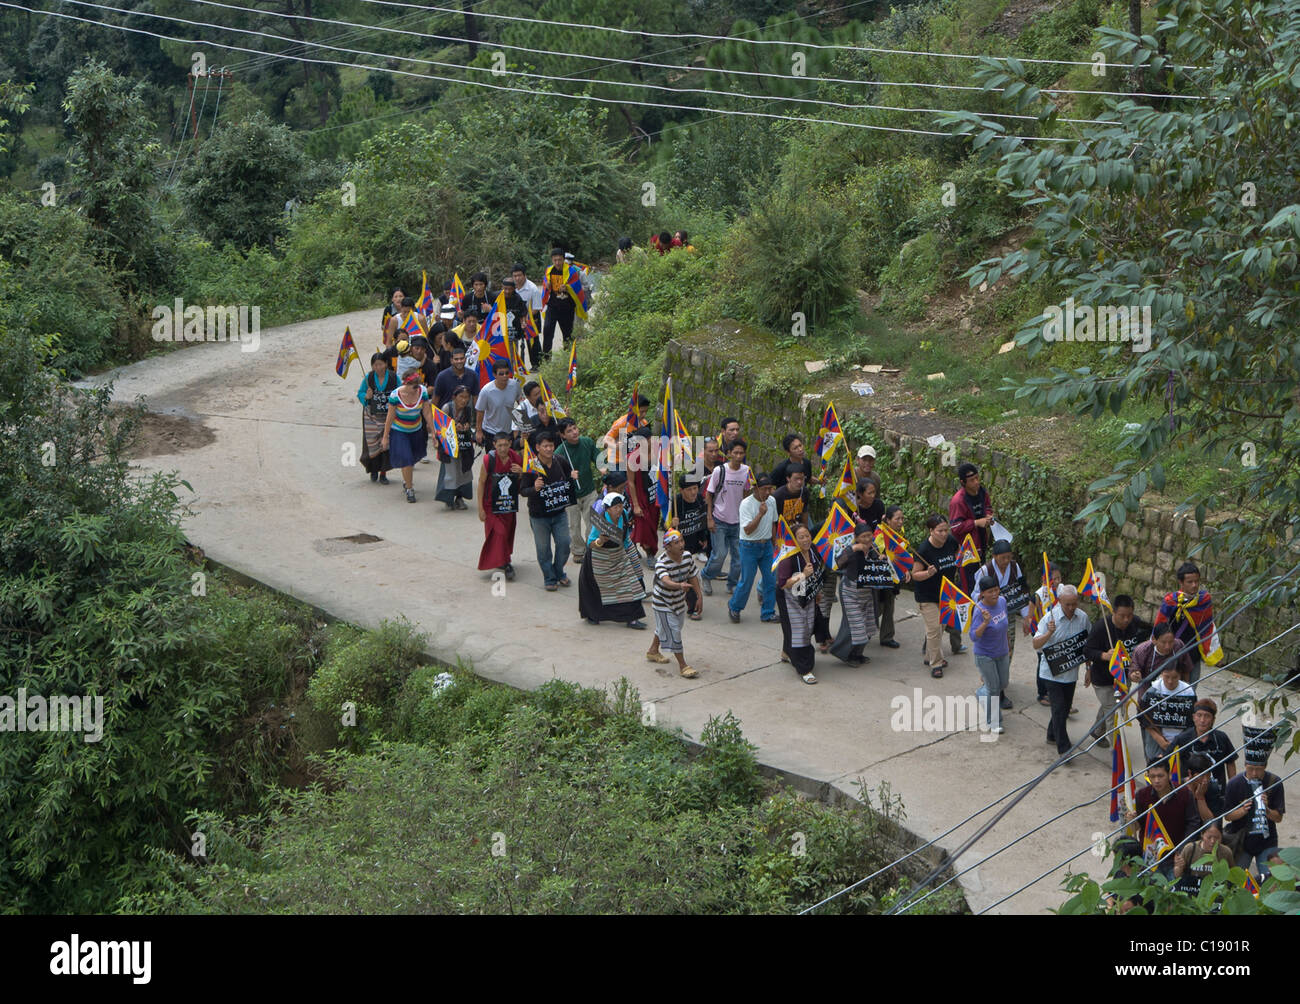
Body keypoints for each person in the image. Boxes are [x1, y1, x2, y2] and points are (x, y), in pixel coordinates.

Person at [1082, 594, 1152, 747]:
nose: (1126, 620)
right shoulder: (1101, 627)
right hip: (1103, 679)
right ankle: (1118, 756)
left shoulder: (1136, 623)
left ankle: (1097, 731)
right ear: (1113, 612)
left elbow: (1150, 633)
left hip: (1123, 677)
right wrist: (1103, 655)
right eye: (1122, 616)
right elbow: (1087, 651)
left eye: (1129, 615)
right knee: (1113, 713)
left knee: (1111, 705)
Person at [1031, 584, 1090, 758]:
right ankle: (1064, 749)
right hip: (1050, 673)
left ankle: (1051, 734)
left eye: (1074, 604)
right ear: (1059, 602)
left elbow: (1087, 644)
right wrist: (1048, 634)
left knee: (1063, 709)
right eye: (1067, 605)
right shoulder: (1050, 618)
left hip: (1070, 674)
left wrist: (1088, 668)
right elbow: (1035, 644)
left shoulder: (1083, 618)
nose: (1071, 608)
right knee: (1058, 709)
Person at [518, 430, 577, 591]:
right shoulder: (531, 467)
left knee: (565, 544)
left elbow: (568, 479)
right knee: (543, 549)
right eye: (545, 446)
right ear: (537, 447)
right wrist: (534, 488)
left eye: (551, 446)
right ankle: (549, 577)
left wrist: (573, 476)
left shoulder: (560, 461)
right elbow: (523, 490)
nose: (549, 449)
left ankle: (558, 571)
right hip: (539, 516)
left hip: (559, 513)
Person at [579, 492, 648, 628]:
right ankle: (594, 615)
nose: (619, 509)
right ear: (608, 509)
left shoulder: (624, 515)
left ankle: (632, 619)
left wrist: (630, 555)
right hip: (599, 558)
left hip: (618, 555)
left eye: (621, 506)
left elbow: (626, 536)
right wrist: (601, 540)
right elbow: (590, 543)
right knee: (596, 588)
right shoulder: (601, 521)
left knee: (630, 584)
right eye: (615, 507)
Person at [978, 540, 1032, 709]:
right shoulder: (985, 570)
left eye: (1009, 557)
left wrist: (1026, 618)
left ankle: (999, 688)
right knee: (991, 651)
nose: (1006, 561)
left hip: (1007, 615)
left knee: (1008, 650)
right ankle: (991, 686)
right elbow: (975, 594)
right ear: (994, 557)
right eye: (1002, 558)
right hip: (988, 617)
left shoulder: (1015, 568)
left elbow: (1021, 593)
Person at [1126, 757, 1204, 874]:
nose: (1156, 780)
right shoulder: (1142, 796)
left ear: (1169, 775)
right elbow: (1138, 828)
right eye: (1152, 776)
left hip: (1177, 858)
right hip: (1151, 859)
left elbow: (1193, 824)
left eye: (1160, 776)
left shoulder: (1184, 794)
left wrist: (1183, 851)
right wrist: (1131, 821)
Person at [1223, 739, 1286, 879]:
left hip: (1266, 840)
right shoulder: (1234, 784)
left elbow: (1279, 817)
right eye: (1250, 768)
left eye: (1259, 770)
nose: (1254, 773)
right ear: (1245, 765)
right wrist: (1242, 810)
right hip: (1241, 840)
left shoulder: (1274, 783)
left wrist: (1267, 809)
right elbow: (1227, 816)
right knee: (1235, 881)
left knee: (1270, 879)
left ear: (1265, 767)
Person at [644, 529, 701, 679]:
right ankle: (683, 665)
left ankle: (653, 650)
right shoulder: (661, 562)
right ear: (668, 547)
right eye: (677, 543)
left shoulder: (688, 557)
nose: (681, 545)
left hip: (678, 601)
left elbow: (693, 575)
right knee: (674, 630)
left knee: (666, 626)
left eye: (682, 541)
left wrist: (699, 596)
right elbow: (666, 581)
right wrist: (679, 585)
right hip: (662, 602)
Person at [912, 514, 964, 677]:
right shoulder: (923, 550)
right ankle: (936, 664)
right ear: (931, 531)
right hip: (927, 595)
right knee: (934, 628)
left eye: (945, 530)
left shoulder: (950, 541)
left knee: (940, 627)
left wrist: (960, 559)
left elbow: (958, 553)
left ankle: (930, 656)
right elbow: (915, 574)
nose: (943, 534)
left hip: (946, 594)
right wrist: (927, 573)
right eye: (940, 531)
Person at [1136, 628, 1196, 765]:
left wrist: (1177, 741)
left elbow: (1192, 722)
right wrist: (1159, 739)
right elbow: (1143, 718)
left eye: (1174, 678)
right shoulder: (1152, 692)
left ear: (1180, 676)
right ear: (1161, 674)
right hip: (1157, 743)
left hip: (1181, 744)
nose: (1170, 681)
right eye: (1166, 677)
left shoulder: (1188, 692)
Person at [777, 524, 827, 685]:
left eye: (807, 535)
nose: (806, 540)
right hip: (790, 597)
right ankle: (805, 669)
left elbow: (817, 573)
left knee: (806, 626)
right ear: (794, 540)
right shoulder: (788, 556)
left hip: (808, 595)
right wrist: (803, 575)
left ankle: (786, 652)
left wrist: (817, 591)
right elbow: (784, 583)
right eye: (801, 537)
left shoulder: (813, 550)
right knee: (799, 631)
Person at [381, 356, 434, 503]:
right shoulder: (395, 395)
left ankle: (406, 479)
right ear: (406, 384)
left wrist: (434, 432)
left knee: (415, 456)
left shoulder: (422, 392)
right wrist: (385, 436)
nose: (416, 389)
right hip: (399, 431)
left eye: (418, 386)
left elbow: (427, 412)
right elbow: (390, 416)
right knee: (407, 459)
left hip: (416, 430)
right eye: (413, 387)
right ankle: (410, 489)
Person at [702, 438, 751, 596]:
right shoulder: (720, 471)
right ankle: (706, 575)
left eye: (741, 453)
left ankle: (732, 583)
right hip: (719, 519)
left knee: (739, 558)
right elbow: (709, 495)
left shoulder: (746, 471)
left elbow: (746, 494)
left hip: (738, 522)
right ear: (729, 454)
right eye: (735, 452)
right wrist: (709, 518)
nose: (738, 456)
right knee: (720, 554)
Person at [828, 521, 880, 666]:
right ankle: (847, 655)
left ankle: (858, 654)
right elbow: (838, 563)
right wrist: (853, 549)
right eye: (864, 536)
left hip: (867, 593)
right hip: (850, 592)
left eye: (870, 535)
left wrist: (881, 560)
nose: (868, 539)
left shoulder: (874, 549)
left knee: (868, 626)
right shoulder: (850, 550)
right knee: (856, 627)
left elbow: (880, 568)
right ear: (856, 538)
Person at [728, 474, 777, 624]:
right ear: (755, 489)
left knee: (771, 580)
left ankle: (768, 613)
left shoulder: (772, 501)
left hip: (767, 546)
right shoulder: (746, 504)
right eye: (764, 489)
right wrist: (760, 514)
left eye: (770, 489)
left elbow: (774, 523)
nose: (768, 492)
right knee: (747, 580)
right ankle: (734, 607)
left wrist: (775, 545)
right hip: (749, 546)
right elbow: (748, 530)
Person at [1155, 561, 1212, 686]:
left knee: (1190, 691)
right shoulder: (1171, 602)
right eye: (1190, 582)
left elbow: (1208, 628)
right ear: (1181, 583)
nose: (1194, 585)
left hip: (1193, 653)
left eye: (1197, 581)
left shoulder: (1204, 601)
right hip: (1173, 654)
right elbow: (1159, 626)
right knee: (1169, 687)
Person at [556, 418, 601, 567]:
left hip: (589, 490)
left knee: (592, 522)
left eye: (574, 428)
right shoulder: (560, 452)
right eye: (569, 431)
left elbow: (597, 458)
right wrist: (569, 476)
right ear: (562, 435)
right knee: (573, 526)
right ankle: (578, 550)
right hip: (570, 495)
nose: (574, 432)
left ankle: (591, 548)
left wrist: (603, 468)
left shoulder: (587, 442)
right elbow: (555, 476)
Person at [477, 431, 522, 580]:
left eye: (505, 445)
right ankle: (507, 564)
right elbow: (481, 483)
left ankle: (503, 558)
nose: (503, 448)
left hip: (508, 504)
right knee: (499, 532)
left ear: (510, 444)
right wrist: (480, 508)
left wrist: (521, 472)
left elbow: (524, 480)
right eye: (499, 445)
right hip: (491, 504)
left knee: (507, 533)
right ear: (494, 445)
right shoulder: (488, 460)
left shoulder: (515, 458)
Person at [970, 575, 1009, 734]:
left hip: (1002, 651)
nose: (994, 594)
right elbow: (974, 637)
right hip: (985, 655)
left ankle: (981, 693)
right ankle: (994, 722)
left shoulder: (1002, 601)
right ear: (982, 594)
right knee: (994, 689)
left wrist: (1008, 644)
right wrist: (985, 622)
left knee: (1002, 684)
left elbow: (1004, 624)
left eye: (996, 590)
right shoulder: (979, 611)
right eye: (990, 591)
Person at [1171, 699, 1238, 792]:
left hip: (1217, 792)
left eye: (1207, 716)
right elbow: (1169, 762)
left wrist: (1232, 787)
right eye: (1199, 715)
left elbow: (1230, 763)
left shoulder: (1221, 738)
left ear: (1213, 719)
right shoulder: (1182, 739)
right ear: (1194, 717)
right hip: (1190, 791)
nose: (1202, 720)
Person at [948, 462, 994, 595]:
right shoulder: (958, 501)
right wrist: (975, 523)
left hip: (982, 544)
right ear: (963, 482)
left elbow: (988, 506)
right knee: (968, 584)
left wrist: (988, 516)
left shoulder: (982, 492)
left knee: (980, 580)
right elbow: (956, 527)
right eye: (972, 480)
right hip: (967, 550)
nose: (976, 482)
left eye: (977, 478)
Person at [434, 385, 476, 510]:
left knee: (464, 472)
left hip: (463, 446)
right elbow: (440, 427)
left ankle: (460, 498)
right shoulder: (447, 408)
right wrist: (452, 427)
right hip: (449, 446)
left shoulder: (468, 410)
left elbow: (471, 425)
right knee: (450, 472)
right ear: (454, 397)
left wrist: (467, 427)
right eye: (461, 397)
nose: (464, 400)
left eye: (466, 398)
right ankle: (448, 499)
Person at [357, 352, 396, 484]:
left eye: (380, 364)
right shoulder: (368, 378)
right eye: (375, 365)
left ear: (385, 364)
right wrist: (366, 397)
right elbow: (360, 393)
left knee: (386, 445)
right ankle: (373, 470)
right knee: (372, 444)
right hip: (371, 416)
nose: (378, 367)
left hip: (388, 416)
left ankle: (383, 473)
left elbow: (400, 391)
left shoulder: (393, 377)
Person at [1171, 822, 1235, 896]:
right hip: (1191, 893)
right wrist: (1178, 867)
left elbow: (1232, 877)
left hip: (1213, 896)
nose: (1212, 841)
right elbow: (1177, 876)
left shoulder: (1226, 853)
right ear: (1202, 834)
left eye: (1217, 838)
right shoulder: (1190, 849)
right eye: (1209, 837)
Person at [874, 505, 906, 649]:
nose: (900, 522)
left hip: (893, 576)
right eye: (897, 519)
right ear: (887, 520)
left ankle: (887, 636)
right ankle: (862, 630)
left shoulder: (900, 532)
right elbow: (883, 556)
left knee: (889, 604)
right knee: (877, 607)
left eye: (902, 518)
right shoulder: (880, 535)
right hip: (880, 575)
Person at [1033, 563, 1063, 707]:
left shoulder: (1061, 590)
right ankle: (1042, 693)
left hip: (1057, 633)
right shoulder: (1040, 593)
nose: (1056, 581)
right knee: (1043, 662)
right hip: (1044, 633)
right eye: (1053, 579)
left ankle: (1056, 694)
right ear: (1044, 579)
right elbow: (1032, 612)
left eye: (1059, 578)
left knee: (1056, 662)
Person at [1130, 618, 1194, 685]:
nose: (1167, 646)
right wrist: (1135, 675)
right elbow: (1133, 670)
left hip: (1173, 686)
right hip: (1148, 688)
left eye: (1171, 642)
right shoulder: (1142, 650)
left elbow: (1186, 669)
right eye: (1163, 642)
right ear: (1154, 639)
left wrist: (1186, 685)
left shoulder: (1179, 645)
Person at [474, 361, 522, 448]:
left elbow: (520, 403)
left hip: (508, 431)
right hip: (491, 432)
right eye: (501, 374)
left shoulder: (515, 385)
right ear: (494, 375)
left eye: (507, 373)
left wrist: (521, 425)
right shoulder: (486, 391)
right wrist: (479, 431)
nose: (505, 376)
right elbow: (480, 411)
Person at [542, 248, 577, 362]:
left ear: (564, 259)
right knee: (547, 329)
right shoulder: (549, 270)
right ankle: (546, 359)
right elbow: (545, 285)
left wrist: (568, 288)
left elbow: (577, 288)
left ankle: (568, 359)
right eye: (555, 260)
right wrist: (546, 286)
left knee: (567, 334)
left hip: (567, 307)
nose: (557, 263)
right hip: (552, 306)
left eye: (560, 260)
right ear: (552, 260)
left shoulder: (571, 271)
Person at [771, 468, 812, 537]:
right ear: (788, 479)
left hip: (798, 531)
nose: (799, 482)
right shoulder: (778, 495)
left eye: (802, 479)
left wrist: (805, 531)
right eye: (796, 479)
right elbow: (773, 521)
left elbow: (804, 512)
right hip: (782, 533)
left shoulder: (805, 492)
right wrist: (775, 540)